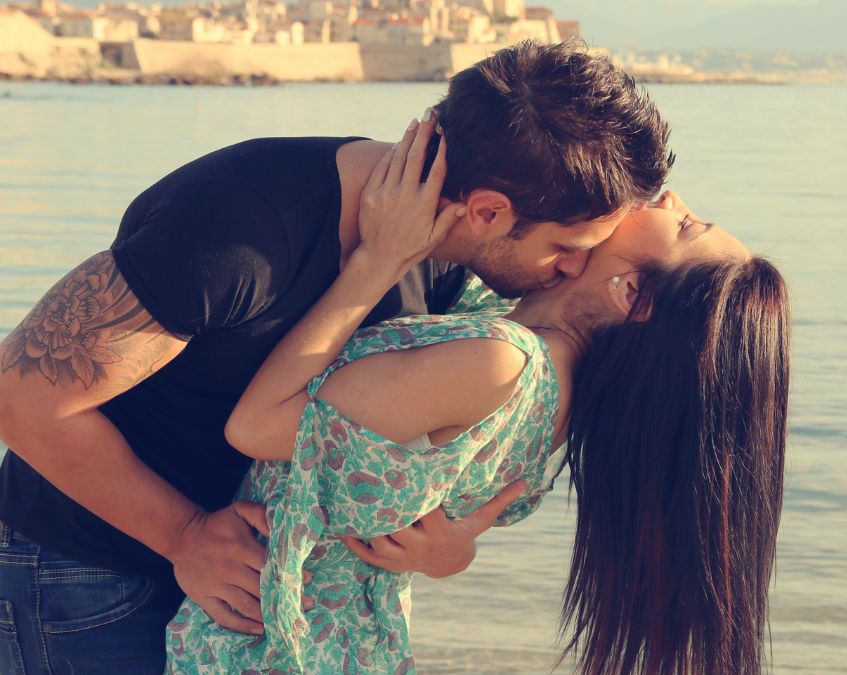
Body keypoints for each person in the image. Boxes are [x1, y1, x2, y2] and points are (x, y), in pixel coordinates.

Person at [0, 40, 672, 674]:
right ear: (489, 213)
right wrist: (185, 535)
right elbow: (21, 396)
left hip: (225, 591)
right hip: (87, 572)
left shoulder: (452, 264)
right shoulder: (245, 224)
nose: (574, 268)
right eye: (568, 247)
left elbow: (385, 445)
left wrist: (447, 548)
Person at [166, 109, 790, 674]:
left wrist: (377, 260)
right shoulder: (553, 374)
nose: (670, 198)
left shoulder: (498, 361)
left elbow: (258, 426)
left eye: (684, 223)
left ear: (633, 296)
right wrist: (451, 554)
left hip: (266, 644)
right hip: (335, 643)